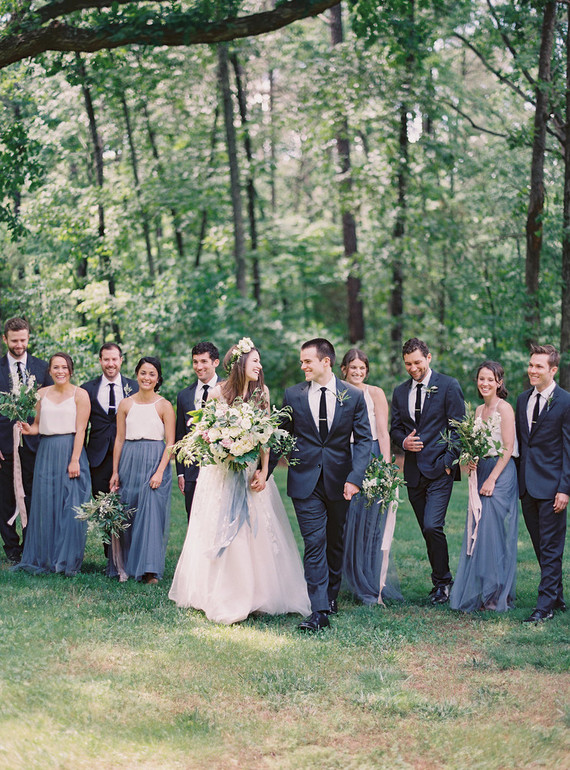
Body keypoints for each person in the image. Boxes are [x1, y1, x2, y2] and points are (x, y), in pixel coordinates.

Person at [169, 339, 311, 624]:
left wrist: (264, 471)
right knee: (220, 526)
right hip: (221, 472)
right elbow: (206, 433)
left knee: (254, 529)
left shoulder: (262, 393)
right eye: (255, 360)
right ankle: (223, 592)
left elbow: (266, 435)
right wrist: (225, 447)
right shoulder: (218, 393)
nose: (260, 366)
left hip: (251, 471)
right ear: (241, 363)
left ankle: (259, 593)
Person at [273, 338, 372, 632]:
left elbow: (364, 440)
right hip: (305, 481)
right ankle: (319, 611)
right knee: (314, 542)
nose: (302, 366)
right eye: (302, 361)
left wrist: (355, 478)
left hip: (340, 481)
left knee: (334, 539)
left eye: (307, 361)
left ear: (325, 362)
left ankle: (331, 595)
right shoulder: (293, 395)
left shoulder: (353, 396)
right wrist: (263, 471)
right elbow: (280, 436)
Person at [391, 338, 464, 605]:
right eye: (408, 364)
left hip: (440, 470)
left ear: (428, 358)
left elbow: (458, 427)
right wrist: (403, 442)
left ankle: (444, 583)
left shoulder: (448, 385)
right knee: (426, 529)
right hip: (413, 472)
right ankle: (440, 581)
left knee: (433, 526)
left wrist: (448, 461)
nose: (413, 368)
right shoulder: (400, 392)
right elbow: (395, 428)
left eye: (417, 362)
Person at [450, 361, 518, 612]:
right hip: (482, 470)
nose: (485, 383)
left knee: (491, 528)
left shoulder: (505, 408)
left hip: (501, 473)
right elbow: (476, 445)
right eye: (481, 379)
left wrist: (492, 479)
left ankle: (496, 593)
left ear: (499, 382)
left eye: (491, 379)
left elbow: (508, 448)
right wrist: (471, 460)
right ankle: (483, 589)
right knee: (479, 528)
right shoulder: (478, 410)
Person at [15, 352, 91, 576]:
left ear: (71, 370)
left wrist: (74, 459)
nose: (60, 371)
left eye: (64, 367)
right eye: (56, 367)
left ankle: (66, 560)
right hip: (46, 452)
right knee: (47, 504)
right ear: (49, 371)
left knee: (70, 504)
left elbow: (81, 430)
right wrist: (28, 430)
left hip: (70, 450)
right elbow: (38, 425)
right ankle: (47, 558)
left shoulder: (80, 394)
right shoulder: (41, 394)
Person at [340, 348, 403, 605]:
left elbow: (383, 432)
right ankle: (346, 577)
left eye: (362, 368)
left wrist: (386, 467)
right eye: (353, 367)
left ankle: (369, 580)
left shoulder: (375, 393)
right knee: (346, 520)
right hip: (344, 456)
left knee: (370, 520)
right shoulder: (336, 391)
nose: (357, 372)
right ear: (343, 369)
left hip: (371, 456)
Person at [515, 344, 570, 623]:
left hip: (552, 488)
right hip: (527, 487)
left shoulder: (566, 401)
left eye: (539, 366)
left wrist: (564, 489)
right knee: (540, 545)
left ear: (553, 370)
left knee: (551, 547)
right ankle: (557, 597)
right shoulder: (522, 399)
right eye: (531, 365)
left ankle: (544, 606)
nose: (532, 370)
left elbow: (568, 449)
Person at [109, 356, 175, 584]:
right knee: (129, 511)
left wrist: (159, 472)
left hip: (155, 461)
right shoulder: (125, 404)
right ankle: (127, 564)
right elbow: (119, 439)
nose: (147, 377)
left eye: (152, 374)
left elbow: (170, 443)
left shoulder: (164, 406)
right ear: (137, 375)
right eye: (143, 373)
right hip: (129, 460)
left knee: (151, 514)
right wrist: (115, 471)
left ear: (158, 379)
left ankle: (149, 570)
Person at [0, 317, 51, 564]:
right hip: (3, 445)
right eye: (14, 341)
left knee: (33, 495)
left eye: (23, 340)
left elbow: (51, 405)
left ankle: (30, 543)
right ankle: (11, 547)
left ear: (28, 338)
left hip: (35, 443)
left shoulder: (43, 368)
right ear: (5, 339)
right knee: (4, 497)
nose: (19, 345)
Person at [81, 342, 139, 498]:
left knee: (128, 502)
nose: (110, 364)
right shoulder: (87, 389)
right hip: (98, 457)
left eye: (114, 359)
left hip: (128, 453)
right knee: (101, 503)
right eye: (106, 359)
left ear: (121, 360)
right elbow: (82, 427)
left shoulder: (135, 388)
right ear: (100, 361)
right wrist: (81, 457)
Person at [175, 342, 219, 519]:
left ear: (215, 362)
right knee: (194, 520)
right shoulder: (184, 395)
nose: (199, 367)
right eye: (195, 362)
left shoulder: (230, 389)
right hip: (192, 471)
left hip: (221, 469)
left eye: (204, 361)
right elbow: (180, 435)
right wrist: (181, 472)